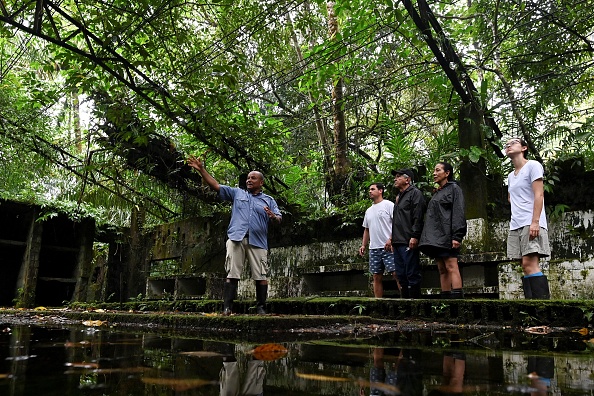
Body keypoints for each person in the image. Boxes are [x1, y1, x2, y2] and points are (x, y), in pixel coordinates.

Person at [187, 155, 282, 315]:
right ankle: (227, 308)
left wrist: (273, 217)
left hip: (258, 242)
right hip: (236, 239)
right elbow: (216, 185)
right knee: (232, 274)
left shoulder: (269, 200)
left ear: (261, 182)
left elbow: (279, 219)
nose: (249, 180)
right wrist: (202, 169)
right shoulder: (237, 193)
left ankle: (261, 308)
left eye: (253, 178)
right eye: (248, 178)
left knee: (261, 275)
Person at [504, 137, 551, 299]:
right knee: (523, 266)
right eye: (506, 145)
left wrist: (535, 221)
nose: (508, 145)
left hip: (530, 221)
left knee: (529, 264)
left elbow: (539, 194)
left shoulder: (533, 165)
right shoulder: (511, 176)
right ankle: (531, 311)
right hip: (515, 224)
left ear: (524, 148)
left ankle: (542, 310)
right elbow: (511, 198)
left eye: (513, 143)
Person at [419, 162, 467, 298]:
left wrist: (457, 236)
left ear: (447, 173)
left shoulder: (454, 189)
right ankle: (445, 299)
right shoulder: (438, 192)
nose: (434, 173)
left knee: (451, 265)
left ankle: (457, 300)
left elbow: (459, 211)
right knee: (441, 269)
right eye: (434, 170)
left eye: (438, 170)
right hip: (435, 237)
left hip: (448, 235)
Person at [386, 169, 426, 299]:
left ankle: (415, 303)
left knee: (411, 272)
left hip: (408, 239)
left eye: (398, 177)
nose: (395, 179)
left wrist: (415, 236)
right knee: (400, 274)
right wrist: (392, 238)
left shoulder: (415, 194)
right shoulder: (399, 197)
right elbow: (397, 220)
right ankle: (405, 305)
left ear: (407, 179)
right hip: (398, 241)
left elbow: (418, 216)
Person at [359, 183, 398, 298]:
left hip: (388, 246)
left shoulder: (389, 205)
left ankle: (404, 300)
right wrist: (363, 245)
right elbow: (367, 229)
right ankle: (378, 302)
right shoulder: (369, 211)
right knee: (376, 276)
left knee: (396, 274)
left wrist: (391, 239)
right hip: (374, 248)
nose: (370, 191)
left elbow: (397, 223)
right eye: (369, 189)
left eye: (372, 189)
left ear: (380, 191)